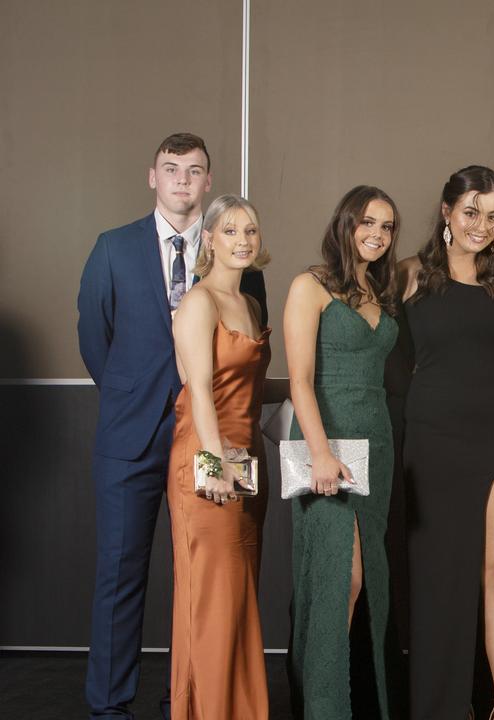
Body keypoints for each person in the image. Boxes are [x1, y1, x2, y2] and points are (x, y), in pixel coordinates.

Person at [77, 133, 267, 718]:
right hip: (134, 437)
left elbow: (244, 370)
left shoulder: (242, 270)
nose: (183, 179)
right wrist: (137, 401)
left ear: (208, 182)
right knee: (121, 575)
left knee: (207, 577)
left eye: (195, 171)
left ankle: (185, 695)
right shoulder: (112, 248)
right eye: (171, 169)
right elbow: (93, 339)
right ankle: (110, 706)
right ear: (152, 176)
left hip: (214, 439)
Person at [398, 166, 494, 719]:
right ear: (446, 212)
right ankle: (441, 707)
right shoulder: (409, 275)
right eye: (472, 212)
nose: (482, 226)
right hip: (431, 439)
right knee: (439, 580)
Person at [283, 186, 402, 718]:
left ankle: (356, 702)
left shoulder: (381, 291)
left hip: (376, 441)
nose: (377, 235)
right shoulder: (310, 286)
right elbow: (300, 381)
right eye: (368, 223)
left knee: (366, 579)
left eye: (387, 226)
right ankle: (322, 708)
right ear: (346, 223)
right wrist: (320, 453)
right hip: (325, 441)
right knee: (338, 578)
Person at [167, 194, 271, 719]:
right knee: (211, 599)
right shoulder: (198, 302)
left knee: (238, 596)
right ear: (208, 239)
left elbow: (249, 382)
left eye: (250, 231)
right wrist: (216, 468)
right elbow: (200, 391)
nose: (243, 241)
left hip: (250, 459)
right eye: (230, 231)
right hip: (207, 461)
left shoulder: (250, 305)